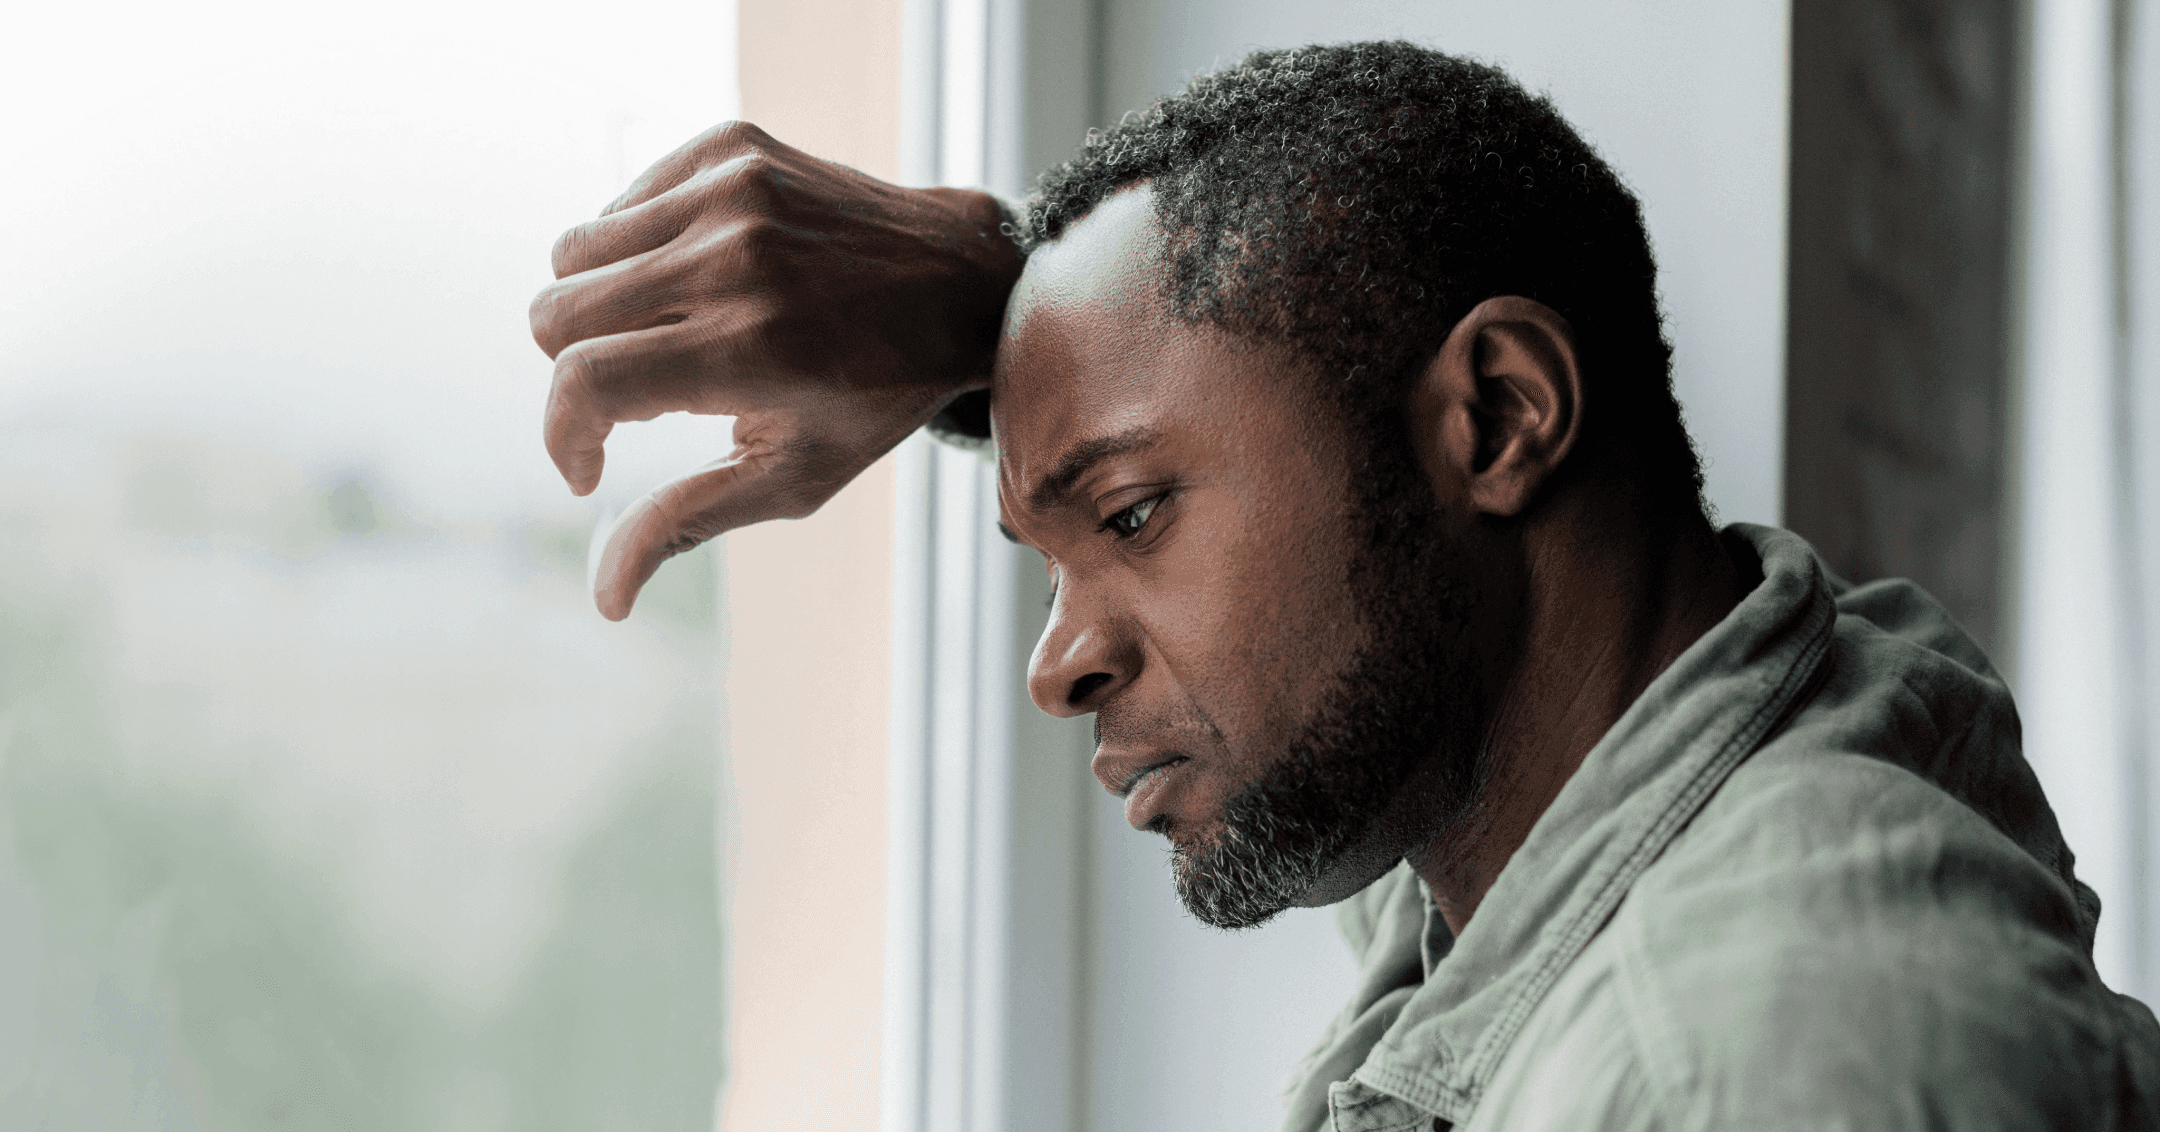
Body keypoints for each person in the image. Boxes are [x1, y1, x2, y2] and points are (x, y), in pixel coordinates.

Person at [529, 40, 2159, 1132]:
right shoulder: (1591, 783)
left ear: (1499, 418)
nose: (1059, 662)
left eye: (1133, 513)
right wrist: (998, 306)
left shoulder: (1763, 1064)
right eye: (1053, 558)